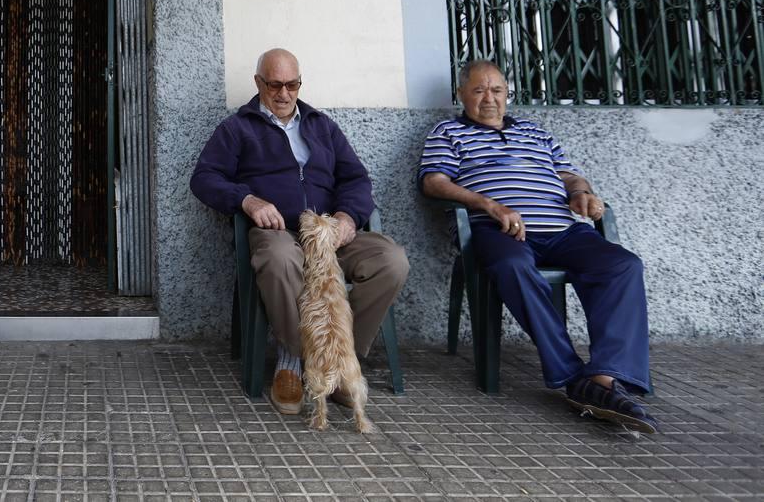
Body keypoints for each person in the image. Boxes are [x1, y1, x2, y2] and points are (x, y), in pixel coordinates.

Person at [419, 60, 658, 433]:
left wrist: (581, 193)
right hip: (497, 230)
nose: (489, 99)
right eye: (479, 90)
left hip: (562, 230)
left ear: (507, 94)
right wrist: (488, 204)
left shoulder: (536, 133)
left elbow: (568, 174)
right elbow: (433, 182)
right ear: (461, 93)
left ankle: (607, 375)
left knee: (622, 264)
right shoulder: (447, 132)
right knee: (513, 266)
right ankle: (571, 375)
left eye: (497, 90)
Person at [190, 48, 409, 414]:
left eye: (292, 84)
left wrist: (347, 218)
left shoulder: (321, 125)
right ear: (258, 83)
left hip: (327, 232)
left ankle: (342, 361)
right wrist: (247, 200)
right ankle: (296, 359)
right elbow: (204, 179)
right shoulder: (237, 128)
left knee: (391, 260)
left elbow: (356, 179)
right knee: (278, 259)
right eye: (274, 84)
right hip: (279, 233)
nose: (283, 93)